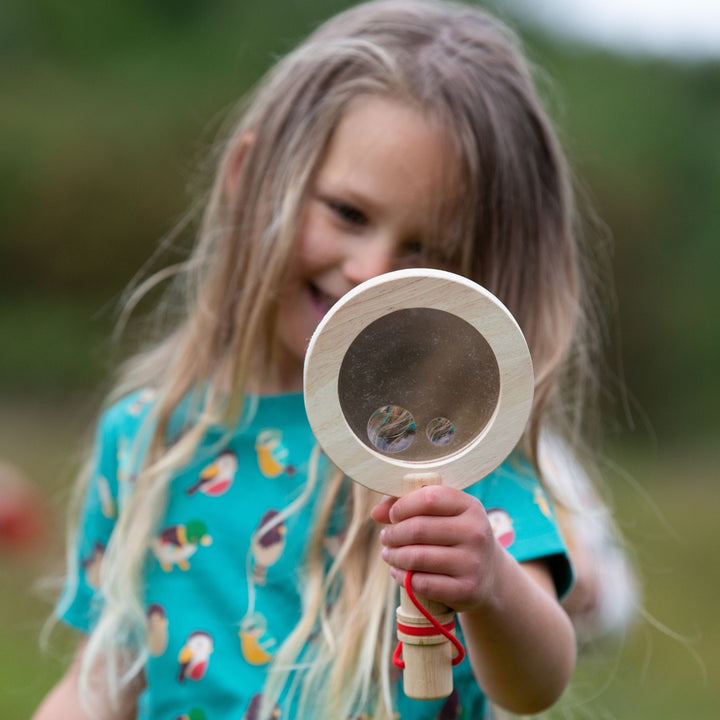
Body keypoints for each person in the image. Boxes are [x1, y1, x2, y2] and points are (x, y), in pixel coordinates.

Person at [32, 1, 634, 718]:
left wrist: (492, 585)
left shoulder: (453, 456)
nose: (370, 270)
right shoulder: (150, 439)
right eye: (348, 214)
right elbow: (100, 687)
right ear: (251, 178)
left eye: (425, 250)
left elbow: (535, 682)